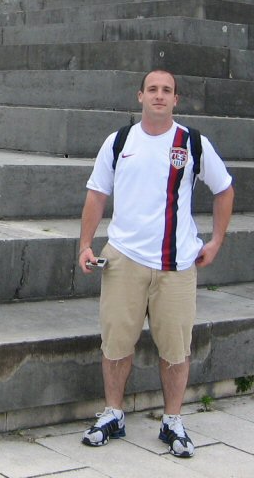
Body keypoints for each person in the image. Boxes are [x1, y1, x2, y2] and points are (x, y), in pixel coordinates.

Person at [77, 69, 234, 458]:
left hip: (176, 264)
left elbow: (224, 189)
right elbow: (97, 194)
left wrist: (216, 240)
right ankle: (113, 413)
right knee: (115, 343)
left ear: (176, 100)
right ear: (140, 96)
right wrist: (84, 244)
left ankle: (173, 421)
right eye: (153, 90)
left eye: (167, 91)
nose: (159, 96)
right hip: (124, 259)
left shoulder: (192, 143)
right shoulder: (119, 141)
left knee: (176, 348)